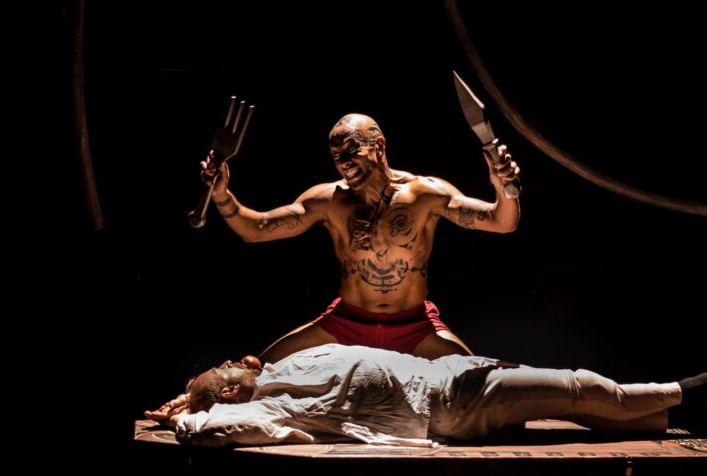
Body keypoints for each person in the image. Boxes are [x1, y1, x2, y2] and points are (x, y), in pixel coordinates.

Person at [201, 112, 521, 362]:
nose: (343, 162)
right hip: (346, 322)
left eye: (352, 150)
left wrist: (504, 188)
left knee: (478, 385)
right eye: (336, 155)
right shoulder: (329, 201)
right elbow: (255, 230)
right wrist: (222, 196)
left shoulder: (425, 194)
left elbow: (502, 222)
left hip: (414, 325)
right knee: (256, 371)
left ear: (379, 145)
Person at [160, 344, 707, 447]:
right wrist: (189, 412)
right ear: (231, 390)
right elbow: (215, 429)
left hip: (449, 375)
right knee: (578, 387)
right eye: (223, 368)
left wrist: (197, 396)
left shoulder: (282, 364)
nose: (234, 359)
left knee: (580, 408)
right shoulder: (268, 407)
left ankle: (681, 417)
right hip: (451, 406)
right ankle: (689, 389)